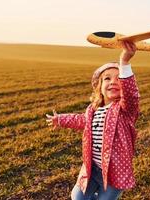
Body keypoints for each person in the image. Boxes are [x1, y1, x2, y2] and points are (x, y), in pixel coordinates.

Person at [46, 41, 139, 200]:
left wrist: (124, 62)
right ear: (99, 87)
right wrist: (60, 119)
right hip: (92, 168)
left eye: (118, 79)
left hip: (115, 171)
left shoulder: (125, 110)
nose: (113, 82)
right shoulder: (93, 110)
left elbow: (131, 95)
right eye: (107, 79)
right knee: (77, 196)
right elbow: (80, 120)